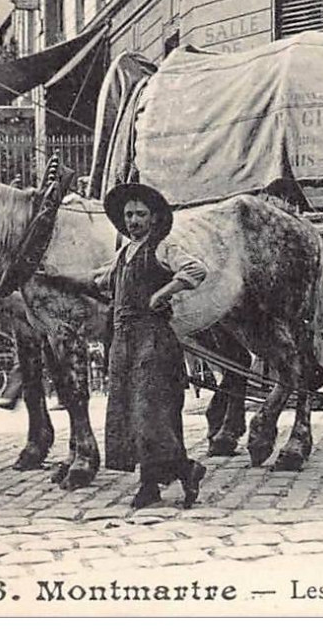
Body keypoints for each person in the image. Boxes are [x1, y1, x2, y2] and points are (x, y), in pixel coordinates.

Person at [99, 182, 207, 510]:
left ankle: (184, 470)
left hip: (153, 342)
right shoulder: (124, 253)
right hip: (125, 343)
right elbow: (102, 280)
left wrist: (163, 293)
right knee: (131, 413)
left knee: (151, 414)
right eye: (128, 214)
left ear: (153, 217)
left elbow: (196, 269)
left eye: (140, 214)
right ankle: (151, 485)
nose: (133, 220)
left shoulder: (163, 247)